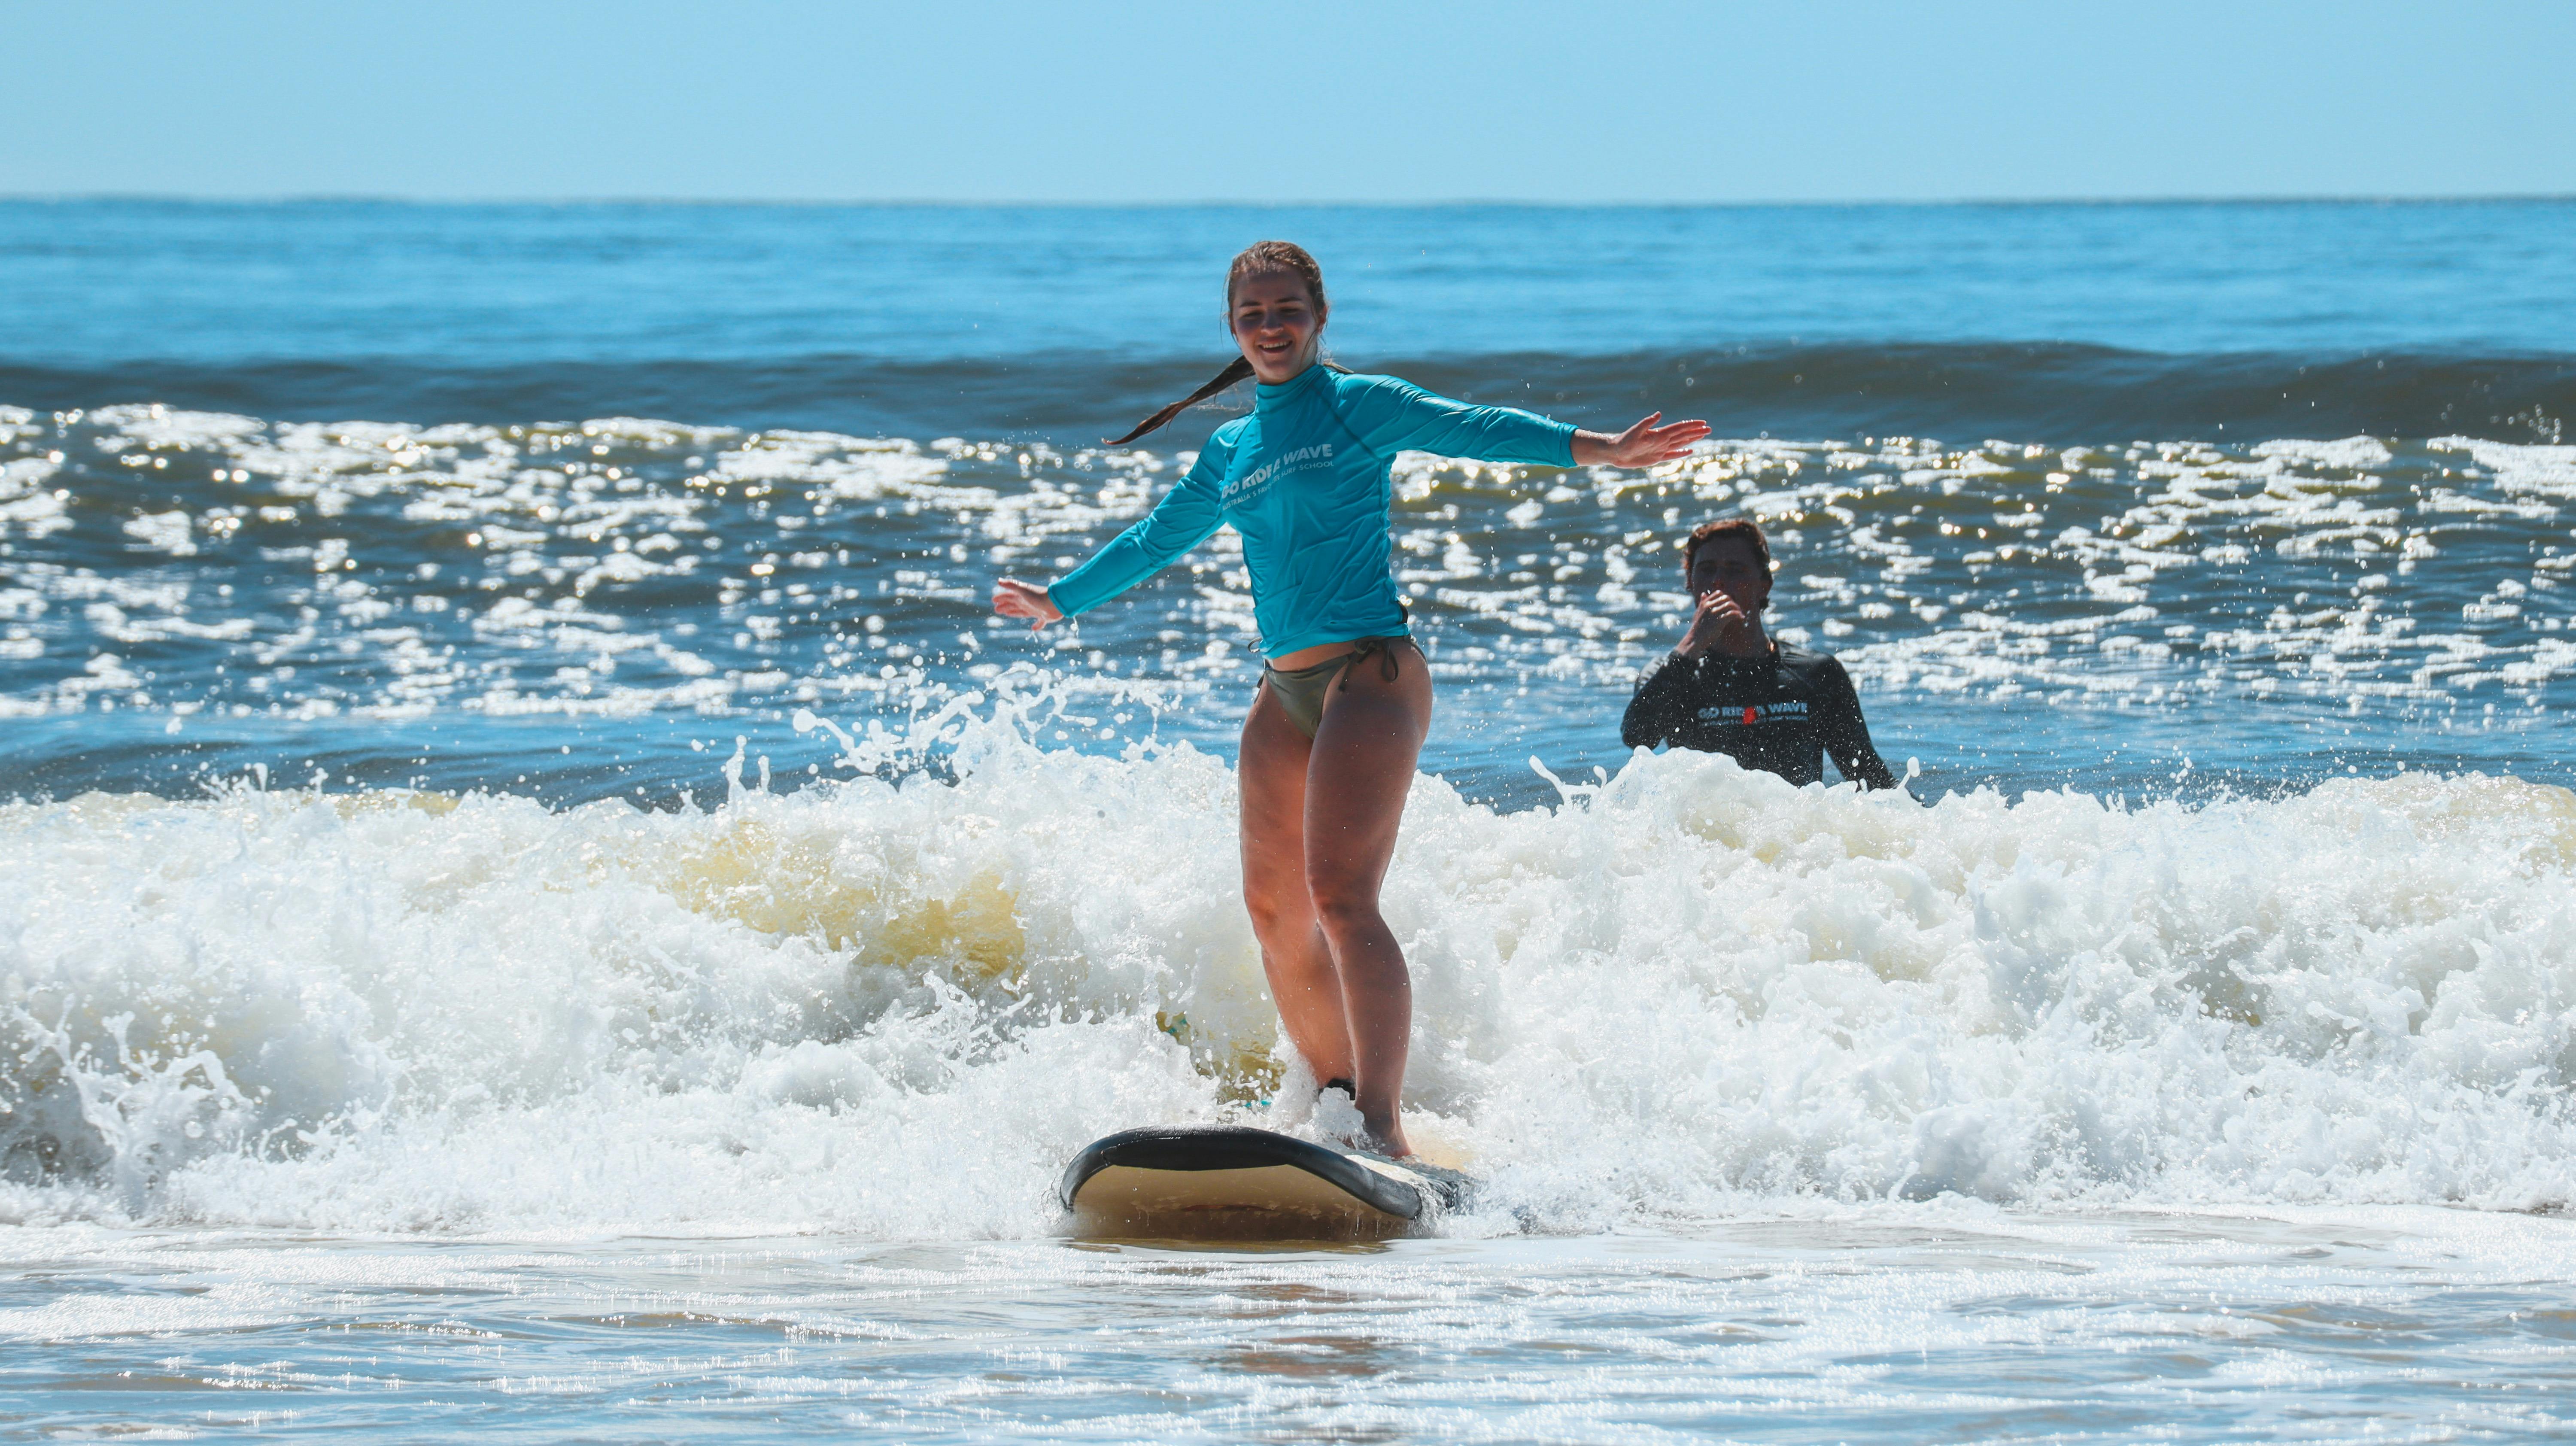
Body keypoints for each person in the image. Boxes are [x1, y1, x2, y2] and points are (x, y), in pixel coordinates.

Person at [991, 241, 1707, 1157]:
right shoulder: (1230, 447)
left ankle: (1383, 1123)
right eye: (1252, 314)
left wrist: (1601, 450)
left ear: (1319, 316)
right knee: (1274, 909)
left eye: (1287, 308)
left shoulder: (1360, 405)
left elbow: (1474, 424)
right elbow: (1155, 536)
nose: (1271, 326)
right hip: (1282, 689)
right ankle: (1333, 1099)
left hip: (1371, 674)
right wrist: (1062, 600)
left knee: (1341, 897)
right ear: (1233, 328)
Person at [1620, 517, 1900, 791]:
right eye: (1706, 570)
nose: (1718, 582)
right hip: (1702, 836)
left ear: (1764, 584)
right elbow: (1637, 737)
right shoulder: (1668, 674)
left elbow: (1869, 777)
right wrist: (1692, 645)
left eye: (1735, 570)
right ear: (1690, 582)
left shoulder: (1814, 673)